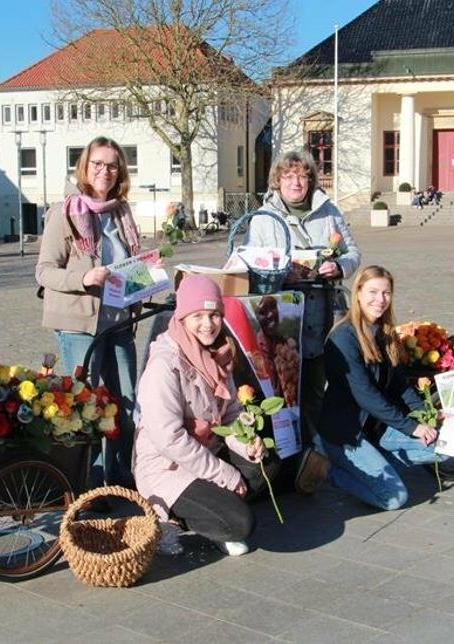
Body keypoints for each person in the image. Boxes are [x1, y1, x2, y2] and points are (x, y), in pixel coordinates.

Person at [246, 149, 361, 493]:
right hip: (282, 317)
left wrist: (338, 266)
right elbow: (253, 265)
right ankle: (286, 460)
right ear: (277, 181)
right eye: (289, 176)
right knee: (282, 391)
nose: (296, 182)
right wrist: (280, 272)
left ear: (311, 179)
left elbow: (354, 252)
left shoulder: (329, 212)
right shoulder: (263, 218)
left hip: (323, 314)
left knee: (315, 387)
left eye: (303, 176)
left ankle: (314, 457)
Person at [134, 275, 269, 556]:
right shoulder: (164, 365)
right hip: (166, 467)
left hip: (205, 451)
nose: (208, 324)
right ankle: (167, 519)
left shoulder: (216, 355)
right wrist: (224, 475)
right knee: (241, 523)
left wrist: (247, 444)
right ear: (182, 317)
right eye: (198, 315)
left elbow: (230, 413)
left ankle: (213, 513)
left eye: (214, 315)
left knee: (265, 465)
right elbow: (169, 439)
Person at [36, 136, 141, 487]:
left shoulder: (121, 212)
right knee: (89, 408)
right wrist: (84, 277)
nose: (105, 171)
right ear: (85, 167)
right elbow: (44, 271)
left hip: (120, 322)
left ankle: (122, 481)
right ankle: (90, 486)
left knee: (125, 405)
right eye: (97, 164)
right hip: (79, 325)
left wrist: (146, 276)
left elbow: (127, 265)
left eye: (112, 165)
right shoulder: (65, 213)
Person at [320, 265, 445, 510]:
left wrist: (426, 415)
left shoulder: (386, 334)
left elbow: (400, 385)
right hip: (346, 435)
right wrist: (412, 427)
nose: (380, 300)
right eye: (373, 292)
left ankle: (377, 462)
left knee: (446, 446)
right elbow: (366, 396)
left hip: (376, 429)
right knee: (393, 498)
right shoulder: (343, 338)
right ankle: (327, 470)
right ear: (357, 293)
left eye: (386, 293)